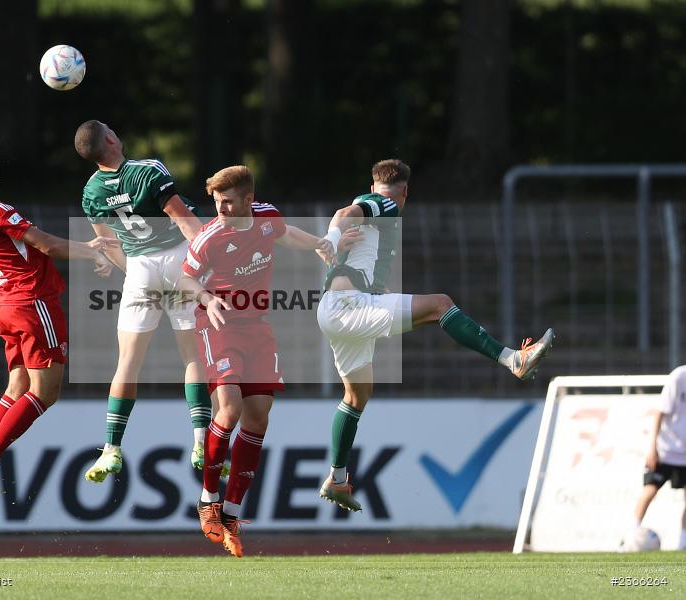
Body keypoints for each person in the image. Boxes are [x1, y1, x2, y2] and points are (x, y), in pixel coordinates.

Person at [316, 159, 554, 512]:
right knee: (440, 305)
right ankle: (512, 358)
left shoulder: (373, 216)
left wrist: (337, 245)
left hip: (339, 308)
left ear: (372, 182)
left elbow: (351, 221)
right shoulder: (386, 204)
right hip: (349, 306)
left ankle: (337, 479)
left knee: (356, 395)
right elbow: (344, 213)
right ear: (405, 191)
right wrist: (331, 239)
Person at [0, 149, 116, 522]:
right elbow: (46, 244)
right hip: (32, 303)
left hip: (7, 306)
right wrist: (91, 252)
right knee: (46, 391)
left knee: (16, 389)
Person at [179, 165, 334, 558]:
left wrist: (319, 242)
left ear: (249, 199)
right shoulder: (210, 235)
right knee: (228, 409)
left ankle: (231, 512)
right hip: (218, 324)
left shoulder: (266, 217)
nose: (221, 209)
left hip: (256, 325)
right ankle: (207, 499)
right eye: (216, 202)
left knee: (259, 414)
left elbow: (287, 234)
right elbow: (184, 280)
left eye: (228, 201)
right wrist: (207, 298)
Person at [75, 120, 216, 483]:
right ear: (111, 138)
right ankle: (201, 441)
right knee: (192, 356)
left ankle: (111, 449)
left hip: (139, 268)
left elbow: (109, 246)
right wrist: (211, 260)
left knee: (128, 362)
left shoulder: (90, 191)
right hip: (178, 257)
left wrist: (137, 276)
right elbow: (185, 220)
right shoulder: (148, 170)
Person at [627, 364, 686, 550]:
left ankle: (682, 543)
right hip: (666, 450)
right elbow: (659, 413)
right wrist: (652, 447)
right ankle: (631, 537)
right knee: (650, 490)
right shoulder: (679, 376)